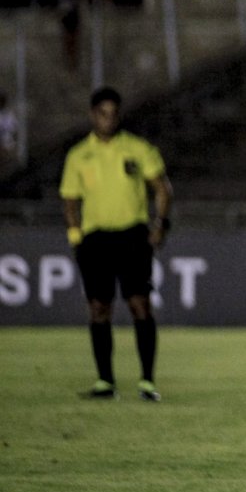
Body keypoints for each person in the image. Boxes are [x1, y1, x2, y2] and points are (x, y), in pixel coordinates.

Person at [60, 86, 173, 402]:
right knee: (99, 308)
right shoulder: (78, 155)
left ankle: (148, 381)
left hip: (132, 235)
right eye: (103, 113)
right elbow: (70, 200)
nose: (108, 120)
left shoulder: (137, 149)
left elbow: (162, 189)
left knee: (140, 304)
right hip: (95, 239)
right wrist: (76, 238)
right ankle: (105, 381)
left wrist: (160, 224)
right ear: (93, 115)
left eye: (113, 114)